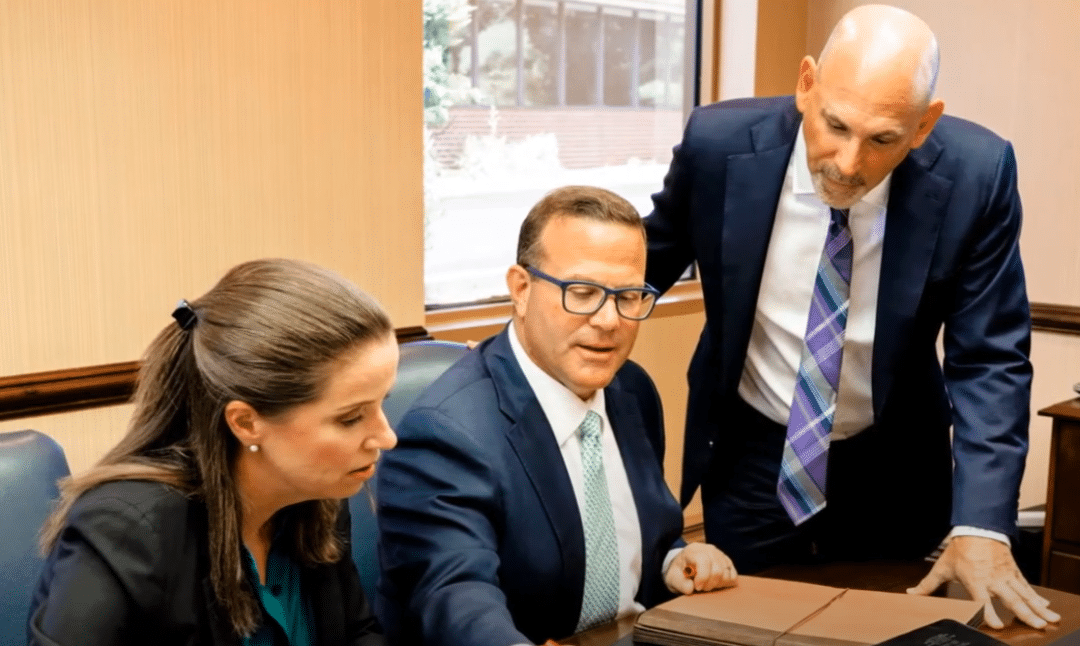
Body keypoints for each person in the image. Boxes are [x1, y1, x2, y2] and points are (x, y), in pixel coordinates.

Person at [643, 3, 1059, 631]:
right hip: (755, 458)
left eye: (883, 140)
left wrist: (982, 524)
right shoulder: (717, 144)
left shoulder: (976, 174)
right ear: (807, 85)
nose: (846, 162)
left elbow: (990, 358)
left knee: (894, 633)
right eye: (835, 126)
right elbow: (642, 263)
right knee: (743, 633)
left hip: (894, 467)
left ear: (924, 126)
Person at [375, 186, 736, 646]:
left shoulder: (632, 391)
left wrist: (674, 559)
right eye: (582, 293)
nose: (609, 321)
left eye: (628, 296)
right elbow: (454, 597)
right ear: (521, 289)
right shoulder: (448, 431)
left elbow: (639, 530)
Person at [28, 258, 398, 646]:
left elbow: (356, 635)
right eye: (352, 418)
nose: (386, 437)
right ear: (246, 422)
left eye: (381, 404)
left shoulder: (316, 492)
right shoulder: (127, 529)